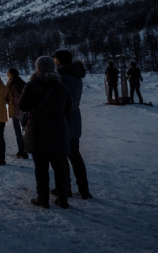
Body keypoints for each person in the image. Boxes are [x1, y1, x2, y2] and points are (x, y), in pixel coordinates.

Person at [19, 56, 72, 209]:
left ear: (38, 68)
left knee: (41, 167)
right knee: (60, 167)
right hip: (59, 130)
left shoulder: (31, 85)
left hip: (38, 130)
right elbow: (68, 106)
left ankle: (43, 198)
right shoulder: (62, 87)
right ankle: (63, 200)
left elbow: (23, 105)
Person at [54, 49, 92, 200]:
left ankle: (64, 189)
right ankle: (84, 190)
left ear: (60, 60)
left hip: (62, 119)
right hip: (75, 118)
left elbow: (58, 101)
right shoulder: (77, 75)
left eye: (55, 59)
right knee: (75, 155)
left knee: (61, 156)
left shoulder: (61, 77)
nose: (54, 61)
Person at [6, 68, 28, 159]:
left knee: (18, 132)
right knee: (25, 131)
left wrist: (9, 101)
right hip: (23, 110)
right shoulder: (23, 83)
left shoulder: (10, 84)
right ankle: (25, 150)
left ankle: (22, 151)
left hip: (16, 110)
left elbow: (8, 97)